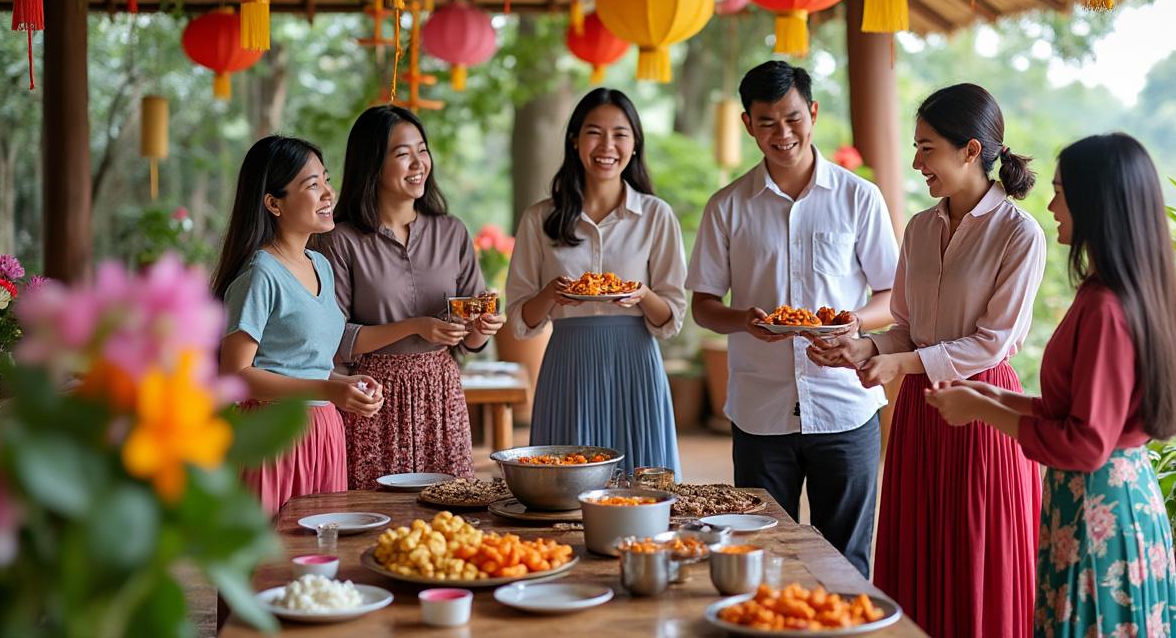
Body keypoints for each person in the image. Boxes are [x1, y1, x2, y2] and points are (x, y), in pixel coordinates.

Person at [928, 133, 1176, 638]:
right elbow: (1081, 412)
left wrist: (982, 413)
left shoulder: (1106, 307)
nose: (1050, 205)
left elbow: (1088, 443)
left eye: (1061, 191)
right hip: (1100, 501)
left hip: (1101, 514)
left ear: (1097, 201)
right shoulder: (1114, 293)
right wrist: (996, 397)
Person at [806, 83, 1044, 637]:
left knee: (974, 554)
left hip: (985, 412)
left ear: (971, 151)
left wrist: (901, 365)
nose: (917, 162)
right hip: (920, 410)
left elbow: (992, 343)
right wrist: (863, 348)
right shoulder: (919, 226)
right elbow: (908, 328)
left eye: (927, 148)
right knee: (919, 549)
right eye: (915, 147)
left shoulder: (1018, 234)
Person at [686, 60, 897, 576]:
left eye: (793, 118)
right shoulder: (727, 206)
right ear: (747, 124)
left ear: (814, 113)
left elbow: (893, 295)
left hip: (845, 405)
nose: (782, 134)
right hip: (761, 411)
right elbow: (704, 305)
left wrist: (854, 322)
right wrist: (744, 320)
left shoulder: (858, 198)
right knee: (759, 553)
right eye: (767, 122)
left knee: (847, 557)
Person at [316, 106, 504, 488]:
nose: (418, 163)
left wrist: (483, 326)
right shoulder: (342, 239)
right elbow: (334, 337)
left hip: (441, 391)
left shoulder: (451, 232)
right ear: (373, 164)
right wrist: (417, 326)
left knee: (449, 513)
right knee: (377, 514)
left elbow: (470, 339)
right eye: (403, 153)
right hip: (373, 396)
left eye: (422, 149)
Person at [505, 88, 686, 476]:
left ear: (635, 143)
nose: (607, 145)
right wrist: (551, 294)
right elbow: (520, 318)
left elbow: (672, 316)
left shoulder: (656, 215)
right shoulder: (540, 219)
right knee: (563, 491)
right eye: (594, 132)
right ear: (574, 140)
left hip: (635, 362)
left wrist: (642, 294)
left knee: (643, 490)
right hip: (569, 364)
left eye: (620, 133)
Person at [213, 135, 383, 515]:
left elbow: (303, 365)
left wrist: (344, 386)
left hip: (325, 431)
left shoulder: (320, 265)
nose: (328, 193)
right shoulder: (261, 276)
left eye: (325, 179)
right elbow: (236, 374)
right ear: (273, 203)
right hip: (274, 435)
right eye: (312, 185)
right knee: (273, 565)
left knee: (321, 561)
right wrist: (327, 387)